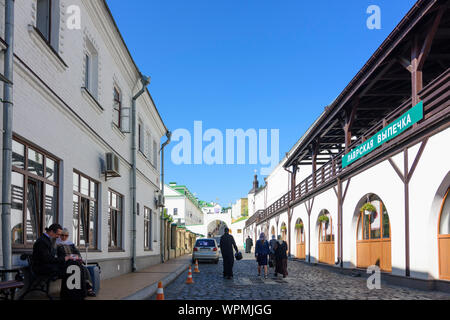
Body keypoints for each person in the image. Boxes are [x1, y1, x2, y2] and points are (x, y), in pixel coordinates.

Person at [56, 228, 96, 297]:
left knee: (84, 269)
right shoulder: (56, 244)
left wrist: (74, 257)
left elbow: (78, 255)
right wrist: (67, 257)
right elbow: (56, 256)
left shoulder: (71, 244)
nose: (64, 237)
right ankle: (78, 291)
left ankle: (88, 288)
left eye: (66, 235)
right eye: (62, 235)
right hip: (64, 264)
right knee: (77, 269)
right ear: (60, 235)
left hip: (74, 262)